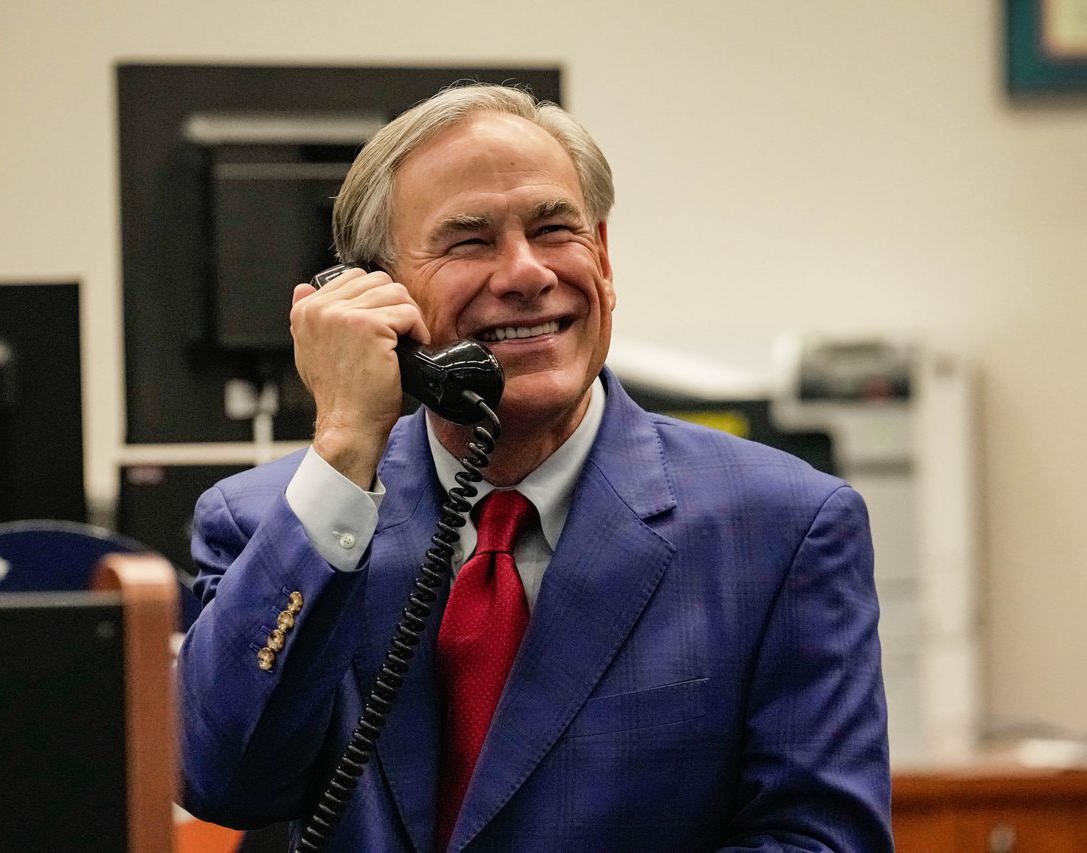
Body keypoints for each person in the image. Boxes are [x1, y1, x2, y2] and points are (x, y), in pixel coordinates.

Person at [179, 83, 892, 852]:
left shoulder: (784, 528)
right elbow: (226, 781)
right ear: (373, 294)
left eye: (555, 229)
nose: (526, 273)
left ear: (605, 258)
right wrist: (347, 443)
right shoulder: (264, 523)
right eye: (469, 240)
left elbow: (821, 841)